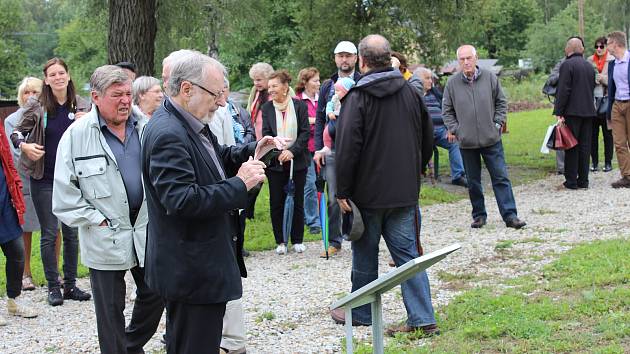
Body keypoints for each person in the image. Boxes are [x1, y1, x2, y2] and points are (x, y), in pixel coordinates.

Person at [142, 50, 284, 353]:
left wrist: (251, 151)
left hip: (198, 268)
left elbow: (214, 159)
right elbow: (181, 200)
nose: (221, 102)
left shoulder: (187, 120)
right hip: (192, 270)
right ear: (186, 89)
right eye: (215, 94)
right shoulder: (169, 132)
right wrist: (240, 184)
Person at [52, 65, 164, 354]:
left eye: (128, 93)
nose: (125, 100)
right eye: (117, 95)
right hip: (105, 234)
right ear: (96, 97)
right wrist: (95, 219)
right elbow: (64, 196)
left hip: (146, 230)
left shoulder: (148, 127)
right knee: (110, 312)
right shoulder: (76, 136)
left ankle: (129, 346)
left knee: (157, 292)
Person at [332, 34, 438, 337]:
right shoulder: (411, 92)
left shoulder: (357, 96)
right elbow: (428, 138)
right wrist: (415, 169)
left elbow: (347, 148)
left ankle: (362, 312)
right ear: (388, 57)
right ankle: (422, 316)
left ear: (362, 62)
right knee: (407, 256)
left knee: (365, 252)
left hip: (367, 195)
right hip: (404, 192)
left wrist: (343, 190)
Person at [10, 57, 92, 306]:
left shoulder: (82, 104)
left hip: (72, 178)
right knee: (49, 232)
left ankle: (70, 285)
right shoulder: (37, 105)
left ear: (68, 75)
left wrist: (85, 123)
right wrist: (24, 146)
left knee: (71, 233)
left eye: (61, 73)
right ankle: (53, 287)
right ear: (46, 79)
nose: (57, 78)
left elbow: (96, 133)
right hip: (44, 178)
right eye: (52, 74)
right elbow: (16, 132)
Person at [442, 45, 526, 229]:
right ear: (458, 62)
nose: (466, 62)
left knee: (501, 178)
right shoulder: (452, 83)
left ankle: (510, 215)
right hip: (467, 142)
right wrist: (457, 130)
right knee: (473, 182)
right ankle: (479, 215)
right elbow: (446, 111)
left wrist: (496, 124)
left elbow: (501, 102)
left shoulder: (489, 78)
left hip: (491, 139)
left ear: (476, 58)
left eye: (469, 58)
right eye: (462, 59)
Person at [4, 77, 58, 291]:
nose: (30, 97)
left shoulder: (49, 114)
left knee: (54, 227)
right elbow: (15, 150)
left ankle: (54, 272)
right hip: (26, 178)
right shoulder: (12, 120)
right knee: (26, 227)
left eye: (35, 92)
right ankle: (26, 274)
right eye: (26, 93)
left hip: (49, 177)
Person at [313, 40, 362, 257]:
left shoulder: (364, 82)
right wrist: (318, 148)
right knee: (333, 197)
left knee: (360, 195)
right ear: (335, 58)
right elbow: (321, 121)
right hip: (331, 149)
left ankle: (359, 237)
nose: (344, 59)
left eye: (348, 55)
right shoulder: (327, 86)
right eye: (340, 55)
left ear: (356, 58)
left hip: (359, 150)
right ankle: (334, 241)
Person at [261, 70, 311, 255]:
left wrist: (291, 151)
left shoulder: (299, 106)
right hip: (275, 164)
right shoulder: (266, 108)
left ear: (285, 87)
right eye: (269, 87)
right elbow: (266, 135)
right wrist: (279, 152)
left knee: (297, 200)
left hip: (297, 162)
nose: (270, 90)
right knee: (277, 202)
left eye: (274, 86)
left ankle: (297, 239)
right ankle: (280, 241)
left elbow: (305, 133)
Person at [0, 122, 38, 326]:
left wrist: (15, 185)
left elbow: (6, 157)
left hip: (4, 199)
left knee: (16, 252)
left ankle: (13, 301)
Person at [409, 67, 468, 187]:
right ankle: (414, 175)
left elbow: (448, 111)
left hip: (441, 131)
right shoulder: (412, 95)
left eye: (431, 78)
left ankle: (458, 176)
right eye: (427, 78)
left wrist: (450, 129)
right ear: (418, 79)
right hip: (422, 133)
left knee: (454, 142)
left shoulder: (435, 94)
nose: (431, 81)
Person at [553, 37, 597, 190]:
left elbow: (563, 90)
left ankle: (571, 181)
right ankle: (583, 181)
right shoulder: (589, 66)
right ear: (582, 49)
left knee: (571, 145)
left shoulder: (567, 65)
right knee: (585, 146)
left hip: (572, 112)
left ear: (569, 49)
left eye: (566, 46)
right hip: (589, 111)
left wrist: (558, 111)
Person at [295, 67, 322, 235]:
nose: (318, 84)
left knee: (323, 185)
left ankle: (322, 217)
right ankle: (313, 221)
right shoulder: (297, 101)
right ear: (305, 82)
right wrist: (317, 120)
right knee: (310, 185)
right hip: (305, 150)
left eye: (319, 80)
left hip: (323, 148)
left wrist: (314, 121)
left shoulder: (323, 99)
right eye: (315, 80)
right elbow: (300, 123)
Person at [606, 31, 630, 188]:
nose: (607, 46)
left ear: (616, 44)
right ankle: (627, 176)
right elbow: (611, 89)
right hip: (617, 105)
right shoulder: (612, 64)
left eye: (608, 43)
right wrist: (609, 112)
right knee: (619, 142)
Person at [587, 37, 614, 172]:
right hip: (592, 102)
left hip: (607, 101)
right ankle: (594, 163)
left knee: (608, 134)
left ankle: (608, 162)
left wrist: (603, 79)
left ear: (606, 47)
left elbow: (615, 82)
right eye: (596, 46)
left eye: (601, 46)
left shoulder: (612, 60)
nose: (598, 49)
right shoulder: (589, 60)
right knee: (592, 135)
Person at [247, 62, 275, 140]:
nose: (255, 83)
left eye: (259, 80)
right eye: (254, 80)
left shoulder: (276, 92)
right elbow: (249, 111)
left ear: (268, 78)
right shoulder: (255, 91)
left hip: (272, 139)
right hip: (256, 137)